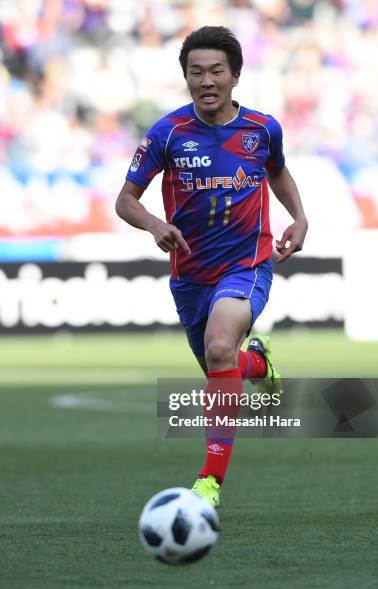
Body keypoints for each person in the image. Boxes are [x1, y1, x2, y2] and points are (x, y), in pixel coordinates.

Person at [115, 26, 308, 507]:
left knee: (219, 345)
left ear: (235, 76)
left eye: (215, 71)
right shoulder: (168, 133)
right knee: (220, 365)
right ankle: (257, 363)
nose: (206, 80)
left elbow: (277, 171)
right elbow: (125, 200)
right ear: (186, 77)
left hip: (248, 263)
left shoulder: (262, 130)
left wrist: (299, 218)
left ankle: (209, 482)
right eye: (196, 72)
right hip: (189, 276)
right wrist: (155, 225)